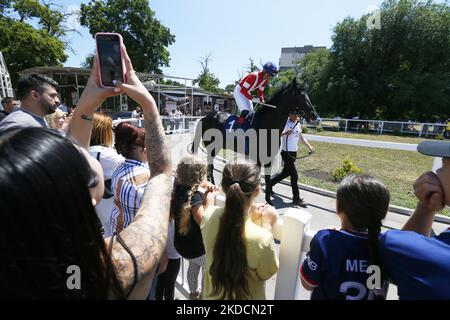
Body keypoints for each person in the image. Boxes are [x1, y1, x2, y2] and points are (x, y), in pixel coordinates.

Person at [0, 44, 172, 299]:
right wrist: (148, 105)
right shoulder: (116, 266)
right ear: (87, 193)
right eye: (75, 156)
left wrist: (88, 103)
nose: (79, 147)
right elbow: (162, 173)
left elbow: (66, 156)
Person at [378, 140, 450, 299]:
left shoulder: (393, 244)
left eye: (444, 164)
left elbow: (398, 258)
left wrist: (424, 208)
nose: (437, 172)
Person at [300, 174, 390, 300]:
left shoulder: (326, 241)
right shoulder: (385, 247)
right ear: (383, 212)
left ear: (338, 207)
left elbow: (308, 283)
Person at [200, 159, 279, 300]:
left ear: (224, 187)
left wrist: (250, 217)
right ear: (257, 191)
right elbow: (266, 272)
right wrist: (266, 225)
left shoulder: (208, 217)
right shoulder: (262, 238)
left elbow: (231, 225)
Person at [172, 156, 216, 300]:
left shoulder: (178, 188)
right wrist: (208, 200)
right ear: (200, 176)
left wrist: (204, 185)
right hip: (197, 248)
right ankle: (203, 296)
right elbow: (203, 220)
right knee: (209, 268)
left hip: (183, 245)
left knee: (193, 267)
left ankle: (192, 294)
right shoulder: (195, 197)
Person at [266, 112, 315, 207]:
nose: (296, 116)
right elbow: (277, 134)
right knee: (294, 175)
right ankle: (296, 199)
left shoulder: (298, 124)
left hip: (293, 152)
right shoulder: (285, 123)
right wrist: (285, 133)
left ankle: (270, 184)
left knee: (286, 173)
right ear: (289, 115)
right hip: (286, 152)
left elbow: (301, 137)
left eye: (297, 114)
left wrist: (309, 146)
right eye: (294, 114)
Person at [89, 112, 125, 236]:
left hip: (98, 201)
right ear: (103, 132)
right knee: (112, 230)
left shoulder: (86, 149)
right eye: (110, 128)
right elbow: (129, 164)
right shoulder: (104, 154)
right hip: (109, 201)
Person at [110, 122, 149, 234]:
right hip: (135, 237)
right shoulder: (146, 177)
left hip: (117, 227)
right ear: (145, 150)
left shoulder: (119, 169)